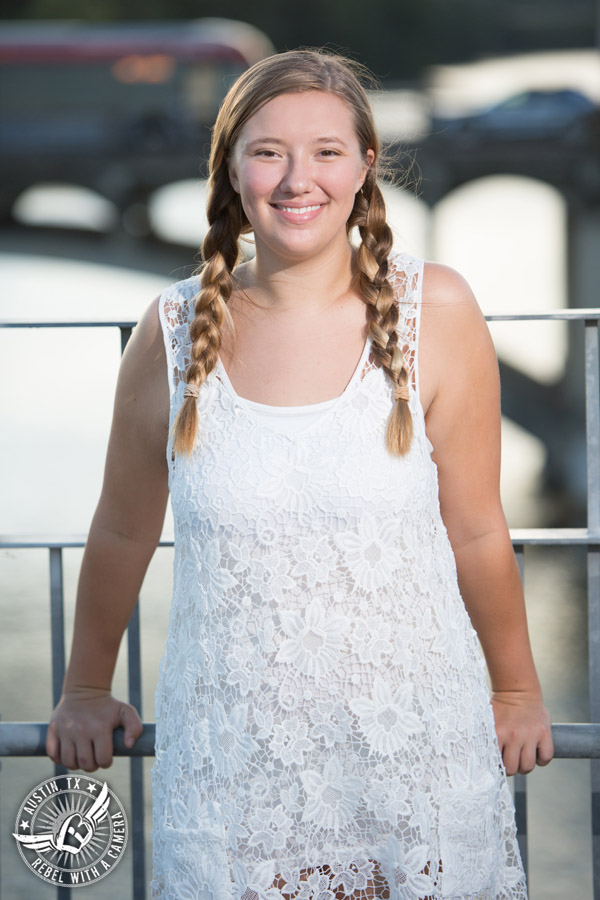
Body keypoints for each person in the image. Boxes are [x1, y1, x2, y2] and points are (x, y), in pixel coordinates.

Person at [47, 48, 554, 899]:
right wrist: (86, 689)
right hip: (237, 768)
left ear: (364, 167)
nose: (296, 179)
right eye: (268, 151)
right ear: (232, 171)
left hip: (411, 757)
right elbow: (124, 528)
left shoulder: (443, 310)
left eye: (325, 151)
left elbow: (476, 528)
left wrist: (516, 689)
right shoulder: (169, 331)